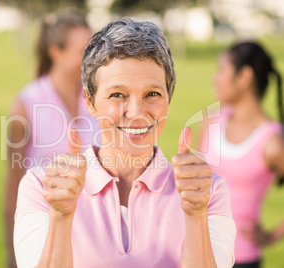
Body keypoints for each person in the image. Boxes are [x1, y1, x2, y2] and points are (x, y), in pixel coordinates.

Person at [14, 18, 236, 268]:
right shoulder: (42, 188)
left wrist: (196, 216)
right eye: (117, 95)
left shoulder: (208, 192)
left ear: (168, 98)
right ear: (90, 101)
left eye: (152, 94)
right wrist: (61, 217)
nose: (137, 111)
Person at [4, 11, 100, 267]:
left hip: (94, 239)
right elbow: (13, 181)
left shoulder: (98, 100)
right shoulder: (25, 105)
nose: (92, 58)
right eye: (83, 50)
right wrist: (12, 254)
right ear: (55, 52)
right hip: (45, 237)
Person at [199, 41, 284, 268]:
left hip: (242, 260)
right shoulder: (210, 121)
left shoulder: (272, 142)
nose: (215, 79)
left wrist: (271, 236)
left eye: (222, 70)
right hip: (197, 252)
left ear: (244, 77)